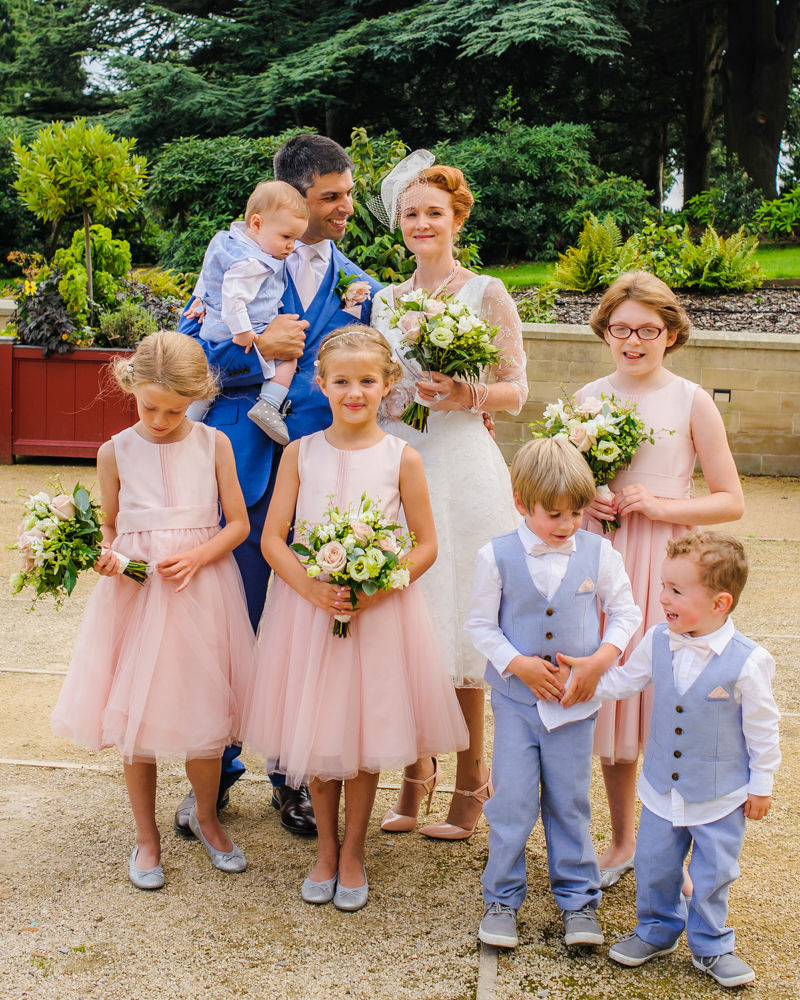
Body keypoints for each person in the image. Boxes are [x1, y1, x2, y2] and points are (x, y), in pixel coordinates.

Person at [174, 134, 382, 837]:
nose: (348, 207)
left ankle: (294, 775)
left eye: (350, 193)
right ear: (293, 199)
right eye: (334, 196)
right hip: (240, 467)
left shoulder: (362, 286)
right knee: (231, 621)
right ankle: (216, 768)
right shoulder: (230, 262)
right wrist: (256, 347)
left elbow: (377, 376)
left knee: (306, 628)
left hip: (325, 476)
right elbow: (190, 355)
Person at [242, 326, 468, 910]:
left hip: (379, 615)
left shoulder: (403, 457)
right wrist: (313, 591)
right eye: (341, 381)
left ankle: (354, 852)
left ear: (388, 385)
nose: (354, 392)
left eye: (367, 381)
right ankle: (323, 848)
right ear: (321, 384)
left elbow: (425, 546)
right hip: (308, 614)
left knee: (364, 736)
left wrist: (378, 585)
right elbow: (273, 539)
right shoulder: (300, 452)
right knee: (319, 737)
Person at [50, 331, 256, 889]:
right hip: (136, 595)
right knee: (134, 714)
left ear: (197, 396)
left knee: (204, 712)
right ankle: (146, 837)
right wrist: (108, 555)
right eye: (150, 407)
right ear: (129, 388)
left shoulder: (214, 443)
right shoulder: (114, 450)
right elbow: (112, 523)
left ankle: (209, 820)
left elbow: (237, 523)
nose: (161, 420)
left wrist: (198, 556)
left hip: (201, 589)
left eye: (174, 409)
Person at [569, 271, 744, 889]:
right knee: (618, 707)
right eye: (621, 329)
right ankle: (621, 842)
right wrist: (588, 500)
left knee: (673, 701)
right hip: (604, 558)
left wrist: (663, 507)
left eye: (647, 329)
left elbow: (731, 500)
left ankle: (679, 848)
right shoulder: (587, 396)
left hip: (669, 562)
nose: (633, 341)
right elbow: (562, 486)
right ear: (606, 332)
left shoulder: (691, 399)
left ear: (670, 334)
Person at [370, 152, 528, 839]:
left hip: (462, 467)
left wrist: (469, 393)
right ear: (399, 224)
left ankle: (470, 785)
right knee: (406, 632)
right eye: (411, 214)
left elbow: (516, 392)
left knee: (463, 637)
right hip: (401, 463)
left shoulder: (486, 292)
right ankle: (414, 774)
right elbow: (376, 386)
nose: (422, 223)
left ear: (457, 217)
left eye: (435, 212)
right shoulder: (385, 300)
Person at [581, 531, 780, 989]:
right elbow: (626, 681)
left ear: (720, 603)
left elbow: (763, 729)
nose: (663, 598)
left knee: (713, 873)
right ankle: (656, 930)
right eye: (663, 586)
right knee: (654, 865)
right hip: (659, 790)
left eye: (675, 590)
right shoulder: (658, 640)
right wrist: (583, 684)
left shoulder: (749, 662)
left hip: (719, 795)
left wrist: (761, 783)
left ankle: (712, 946)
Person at [465, 437, 641, 949]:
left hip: (575, 704)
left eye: (577, 513)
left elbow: (626, 612)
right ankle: (501, 897)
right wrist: (516, 663)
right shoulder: (494, 555)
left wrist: (601, 659)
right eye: (555, 515)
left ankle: (579, 901)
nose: (568, 525)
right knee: (513, 802)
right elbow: (480, 624)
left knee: (569, 803)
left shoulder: (599, 552)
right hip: (517, 704)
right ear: (522, 504)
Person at [186, 180, 309, 446]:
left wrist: (200, 299)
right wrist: (246, 334)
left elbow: (209, 272)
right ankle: (269, 404)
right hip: (243, 327)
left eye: (295, 239)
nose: (291, 246)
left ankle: (188, 421)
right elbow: (233, 296)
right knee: (288, 357)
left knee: (208, 387)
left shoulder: (225, 241)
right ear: (256, 224)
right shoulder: (255, 262)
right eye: (286, 237)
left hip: (213, 323)